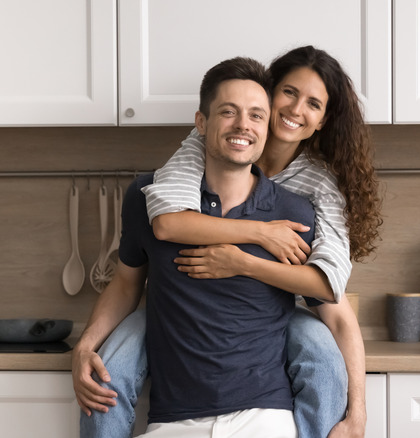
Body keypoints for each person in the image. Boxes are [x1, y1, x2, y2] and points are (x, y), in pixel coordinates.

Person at [75, 56, 320, 437]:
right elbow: (125, 284)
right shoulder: (148, 197)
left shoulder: (293, 213)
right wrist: (84, 345)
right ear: (201, 123)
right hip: (173, 420)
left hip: (265, 417)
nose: (243, 125)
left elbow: (329, 306)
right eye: (228, 112)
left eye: (257, 115)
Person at [145, 45, 381, 437]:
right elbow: (168, 222)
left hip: (272, 312)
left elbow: (330, 288)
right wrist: (259, 233)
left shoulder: (316, 188)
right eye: (289, 92)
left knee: (322, 358)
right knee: (110, 364)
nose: (295, 110)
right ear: (268, 94)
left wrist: (243, 263)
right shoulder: (208, 142)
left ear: (323, 121)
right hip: (183, 310)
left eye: (314, 104)